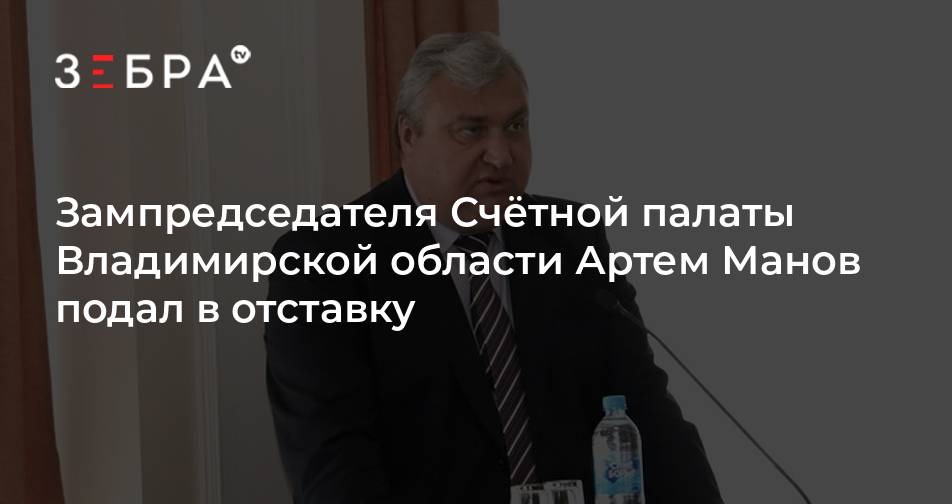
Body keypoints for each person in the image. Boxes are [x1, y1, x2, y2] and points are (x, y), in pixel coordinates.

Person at [264, 32, 722, 504]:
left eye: (516, 126)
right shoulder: (324, 263)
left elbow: (649, 416)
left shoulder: (570, 239)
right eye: (471, 131)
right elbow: (334, 468)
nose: (502, 156)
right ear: (409, 135)